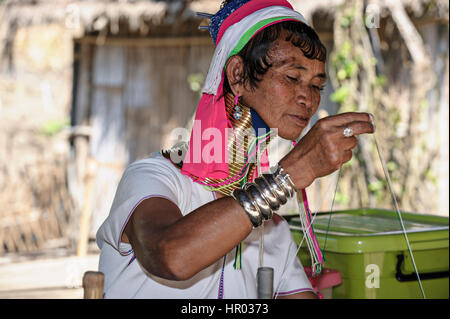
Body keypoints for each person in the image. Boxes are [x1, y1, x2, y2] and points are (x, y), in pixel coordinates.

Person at [96, 0, 375, 299]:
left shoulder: (272, 230)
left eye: (317, 85)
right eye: (292, 78)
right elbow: (172, 256)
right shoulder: (154, 179)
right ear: (238, 75)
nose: (307, 97)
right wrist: (289, 176)